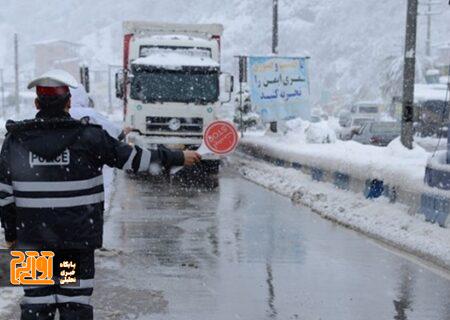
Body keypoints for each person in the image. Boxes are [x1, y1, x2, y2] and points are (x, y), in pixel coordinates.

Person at [0, 69, 201, 320]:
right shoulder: (90, 138)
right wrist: (178, 156)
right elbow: (135, 159)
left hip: (32, 244)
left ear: (37, 103)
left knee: (36, 304)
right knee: (74, 304)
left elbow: (5, 195)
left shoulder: (15, 141)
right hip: (75, 242)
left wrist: (11, 234)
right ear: (69, 103)